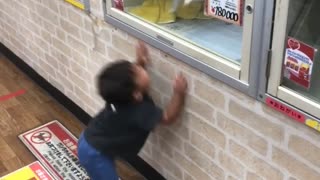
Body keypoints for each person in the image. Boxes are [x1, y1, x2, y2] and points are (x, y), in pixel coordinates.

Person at [77, 41, 188, 180]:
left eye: (135, 66)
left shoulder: (119, 95)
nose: (139, 67)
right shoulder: (138, 111)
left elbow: (133, 81)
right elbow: (167, 117)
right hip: (95, 155)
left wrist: (141, 61)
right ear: (136, 95)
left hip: (89, 140)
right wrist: (179, 93)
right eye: (139, 71)